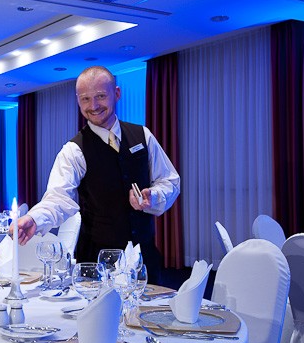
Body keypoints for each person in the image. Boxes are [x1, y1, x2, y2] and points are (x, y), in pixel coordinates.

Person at [15, 66, 180, 284]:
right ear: (78, 100)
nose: (93, 106)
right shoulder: (73, 150)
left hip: (143, 258)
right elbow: (58, 198)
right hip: (96, 263)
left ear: (117, 93)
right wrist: (34, 218)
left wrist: (154, 195)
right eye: (85, 99)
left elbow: (170, 181)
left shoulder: (143, 135)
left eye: (101, 96)